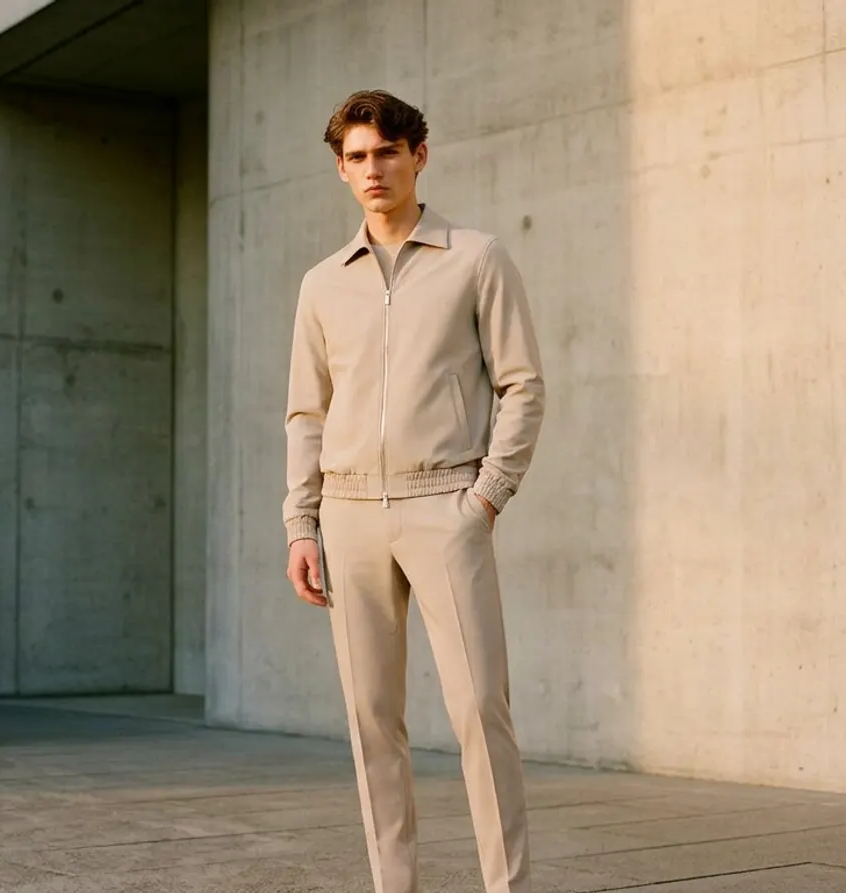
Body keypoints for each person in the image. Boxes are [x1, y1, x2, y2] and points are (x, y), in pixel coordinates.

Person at [283, 89, 546, 893]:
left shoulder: (475, 257)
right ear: (341, 169)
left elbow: (522, 384)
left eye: (387, 152)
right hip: (349, 514)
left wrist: (487, 496)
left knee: (480, 710)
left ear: (418, 156)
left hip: (445, 505)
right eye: (357, 157)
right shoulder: (322, 284)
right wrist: (302, 523)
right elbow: (306, 412)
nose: (373, 169)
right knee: (372, 722)